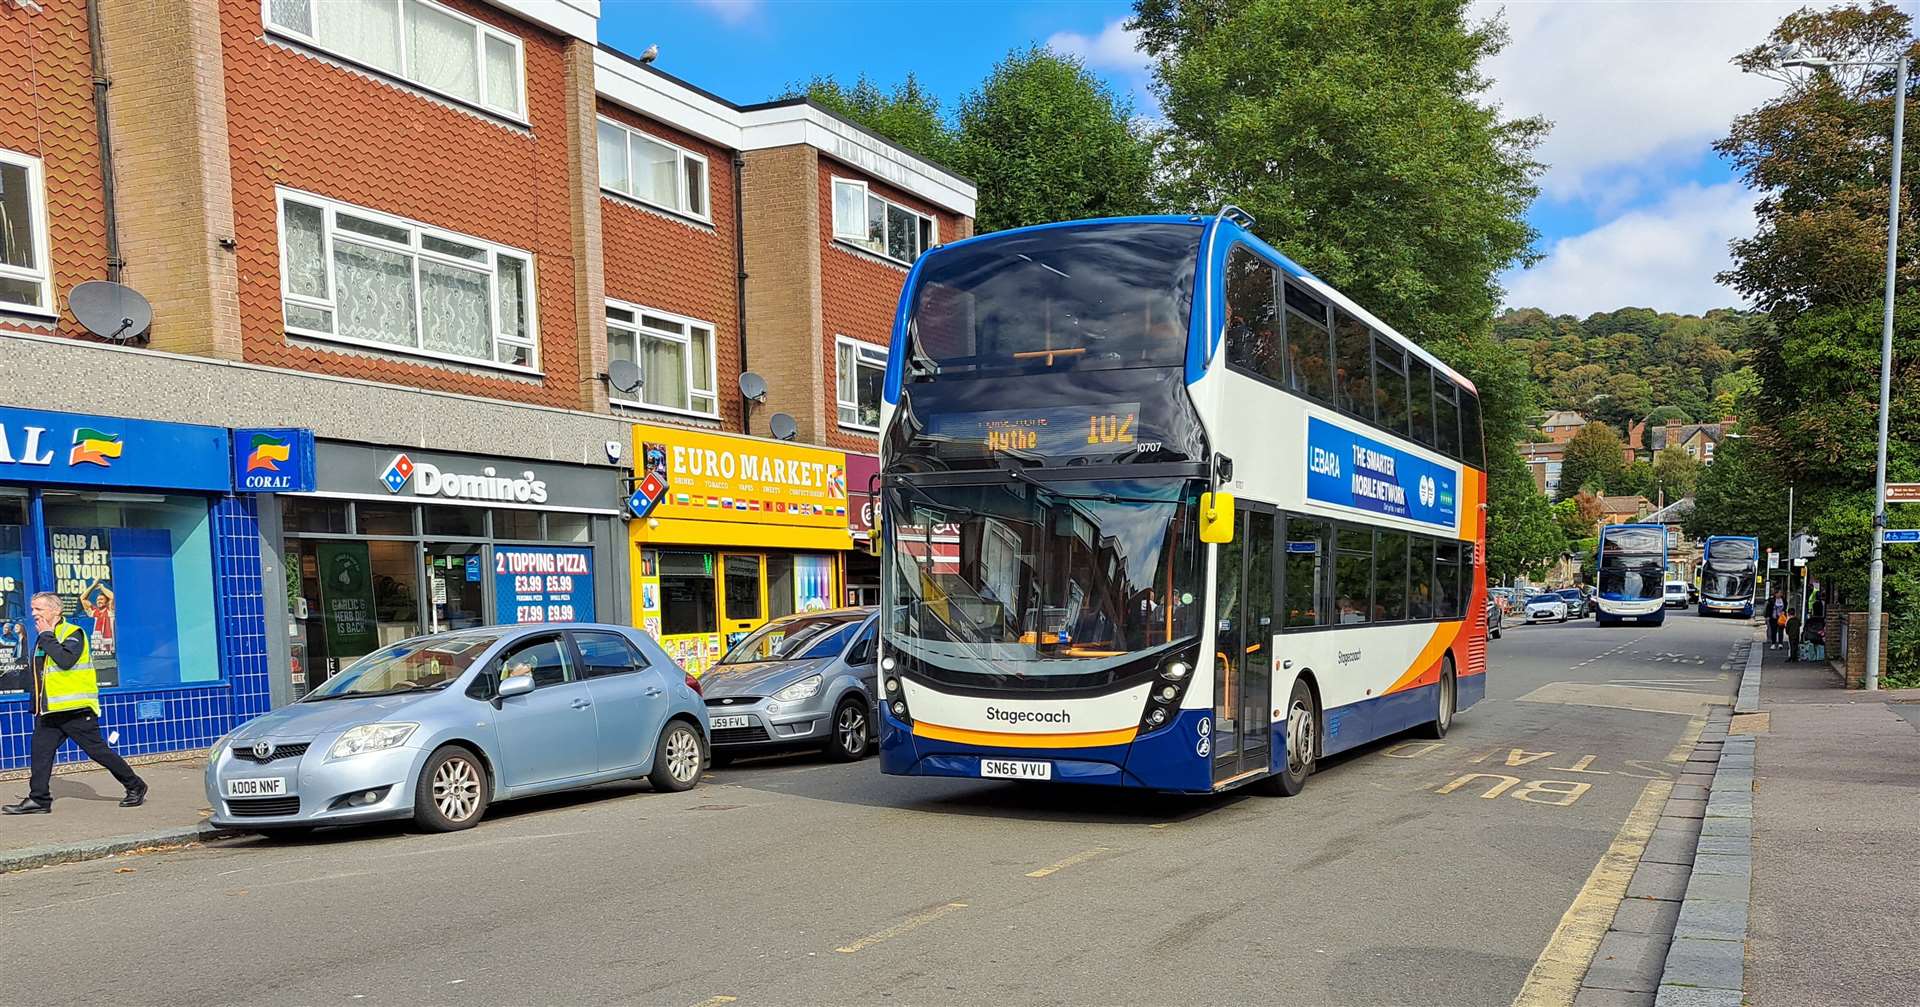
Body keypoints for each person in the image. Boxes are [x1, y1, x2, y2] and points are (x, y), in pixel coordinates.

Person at [4, 592, 147, 815]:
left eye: (39, 609)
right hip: (51, 711)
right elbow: (42, 674)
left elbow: (65, 660)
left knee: (98, 751)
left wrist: (47, 635)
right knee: (40, 752)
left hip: (76, 710)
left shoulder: (73, 633)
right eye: (32, 609)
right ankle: (39, 799)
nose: (33, 614)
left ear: (55, 611)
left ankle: (135, 785)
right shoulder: (44, 637)